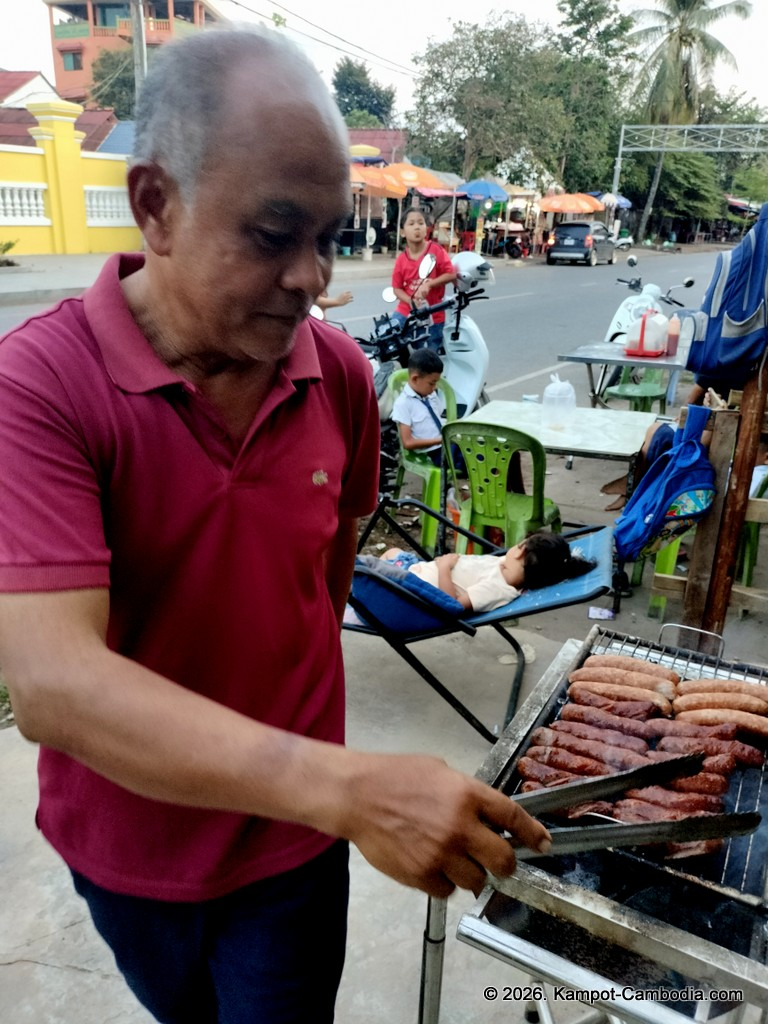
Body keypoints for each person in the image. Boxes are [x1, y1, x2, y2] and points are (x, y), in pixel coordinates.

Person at [0, 27, 550, 1024]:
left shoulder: (336, 372)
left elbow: (327, 568)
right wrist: (348, 787)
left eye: (330, 237)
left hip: (289, 859)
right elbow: (50, 685)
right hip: (128, 848)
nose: (311, 276)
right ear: (156, 205)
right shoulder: (40, 386)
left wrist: (314, 795)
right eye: (273, 232)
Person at [381, 532, 596, 614]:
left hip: (409, 587)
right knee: (393, 551)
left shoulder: (496, 589)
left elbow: (449, 605)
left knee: (366, 569)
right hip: (416, 569)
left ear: (521, 551)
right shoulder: (511, 568)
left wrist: (444, 567)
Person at [391, 207, 457, 352]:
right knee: (387, 337)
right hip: (406, 312)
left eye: (420, 223)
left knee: (426, 359)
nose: (417, 227)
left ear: (426, 228)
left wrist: (430, 284)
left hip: (433, 315)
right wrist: (410, 301)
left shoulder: (436, 251)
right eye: (411, 223)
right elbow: (396, 289)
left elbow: (451, 274)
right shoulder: (401, 259)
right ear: (402, 232)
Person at [391, 348, 446, 466]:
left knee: (485, 447)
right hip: (432, 452)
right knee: (474, 458)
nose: (434, 388)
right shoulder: (403, 404)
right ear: (415, 379)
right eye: (431, 383)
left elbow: (439, 416)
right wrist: (439, 440)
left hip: (445, 444)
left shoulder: (430, 395)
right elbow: (408, 442)